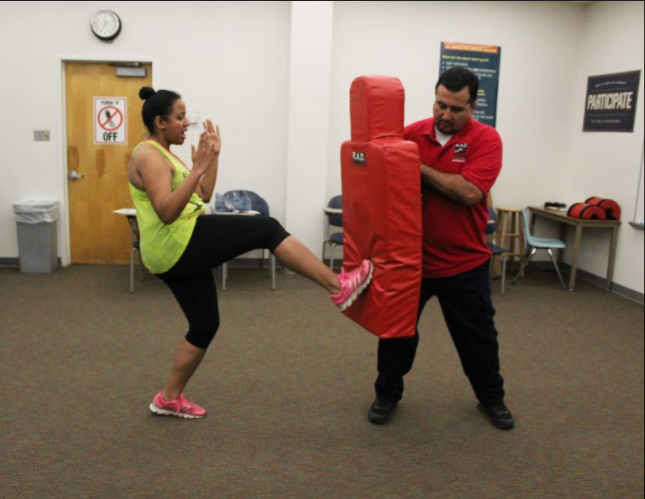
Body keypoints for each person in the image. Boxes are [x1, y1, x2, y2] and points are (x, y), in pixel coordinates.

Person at [128, 86, 373, 419]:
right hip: (176, 243)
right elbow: (167, 211)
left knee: (204, 325)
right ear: (160, 121)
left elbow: (203, 193)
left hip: (174, 248)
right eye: (180, 117)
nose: (187, 123)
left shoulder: (166, 153)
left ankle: (169, 398)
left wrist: (211, 157)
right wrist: (198, 167)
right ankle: (337, 286)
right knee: (266, 228)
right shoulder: (148, 155)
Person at [367, 68, 514, 429]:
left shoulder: (486, 140)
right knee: (395, 335)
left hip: (463, 264)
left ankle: (491, 398)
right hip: (409, 262)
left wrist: (414, 167)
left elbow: (468, 193)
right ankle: (387, 394)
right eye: (440, 105)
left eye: (456, 109)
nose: (446, 115)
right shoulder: (410, 134)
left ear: (473, 106)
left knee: (478, 340)